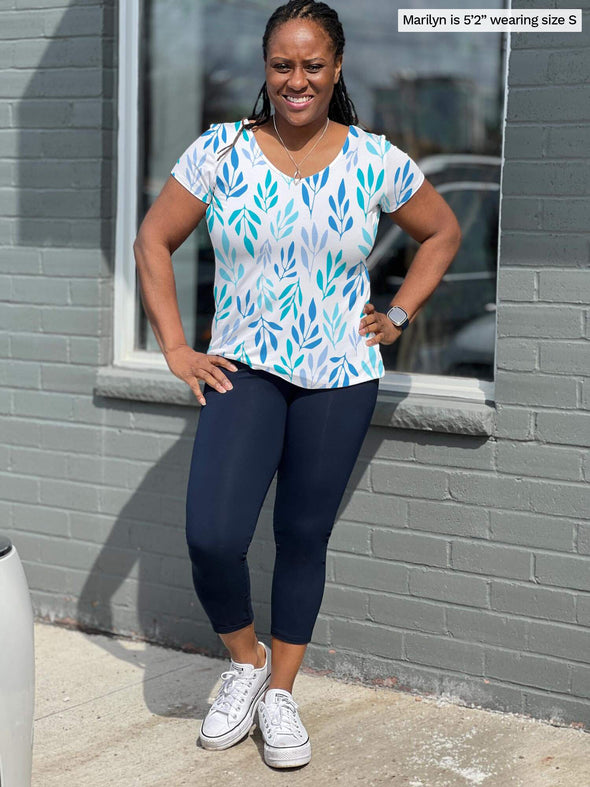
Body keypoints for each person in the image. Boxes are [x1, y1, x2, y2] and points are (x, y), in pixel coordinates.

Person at [133, 0, 461, 771]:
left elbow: (442, 231)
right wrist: (176, 346)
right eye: (283, 64)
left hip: (340, 375)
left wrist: (401, 312)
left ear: (337, 68)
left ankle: (281, 690)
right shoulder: (222, 149)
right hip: (244, 368)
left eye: (313, 64)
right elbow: (154, 237)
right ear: (265, 68)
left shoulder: (374, 158)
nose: (297, 79)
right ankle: (243, 662)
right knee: (213, 535)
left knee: (302, 536)